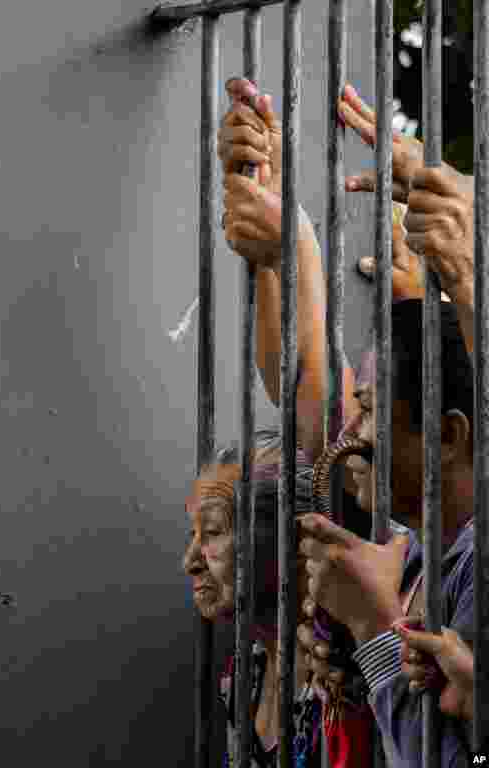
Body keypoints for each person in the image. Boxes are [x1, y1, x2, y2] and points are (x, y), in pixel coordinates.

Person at [221, 77, 478, 766]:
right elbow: (307, 380)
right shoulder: (409, 543)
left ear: (449, 436)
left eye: (368, 409)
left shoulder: (471, 565)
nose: (349, 433)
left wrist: (375, 626)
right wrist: (288, 244)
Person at [184, 430, 371, 768]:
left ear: (299, 538)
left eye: (212, 532)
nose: (190, 562)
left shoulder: (351, 681)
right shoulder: (245, 672)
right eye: (193, 533)